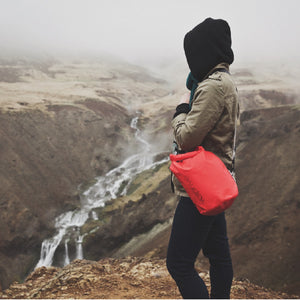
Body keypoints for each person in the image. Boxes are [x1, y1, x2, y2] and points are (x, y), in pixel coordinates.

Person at [166, 18, 239, 299]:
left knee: (179, 263)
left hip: (200, 187)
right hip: (216, 180)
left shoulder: (211, 87)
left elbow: (186, 137)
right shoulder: (226, 82)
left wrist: (181, 108)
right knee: (217, 254)